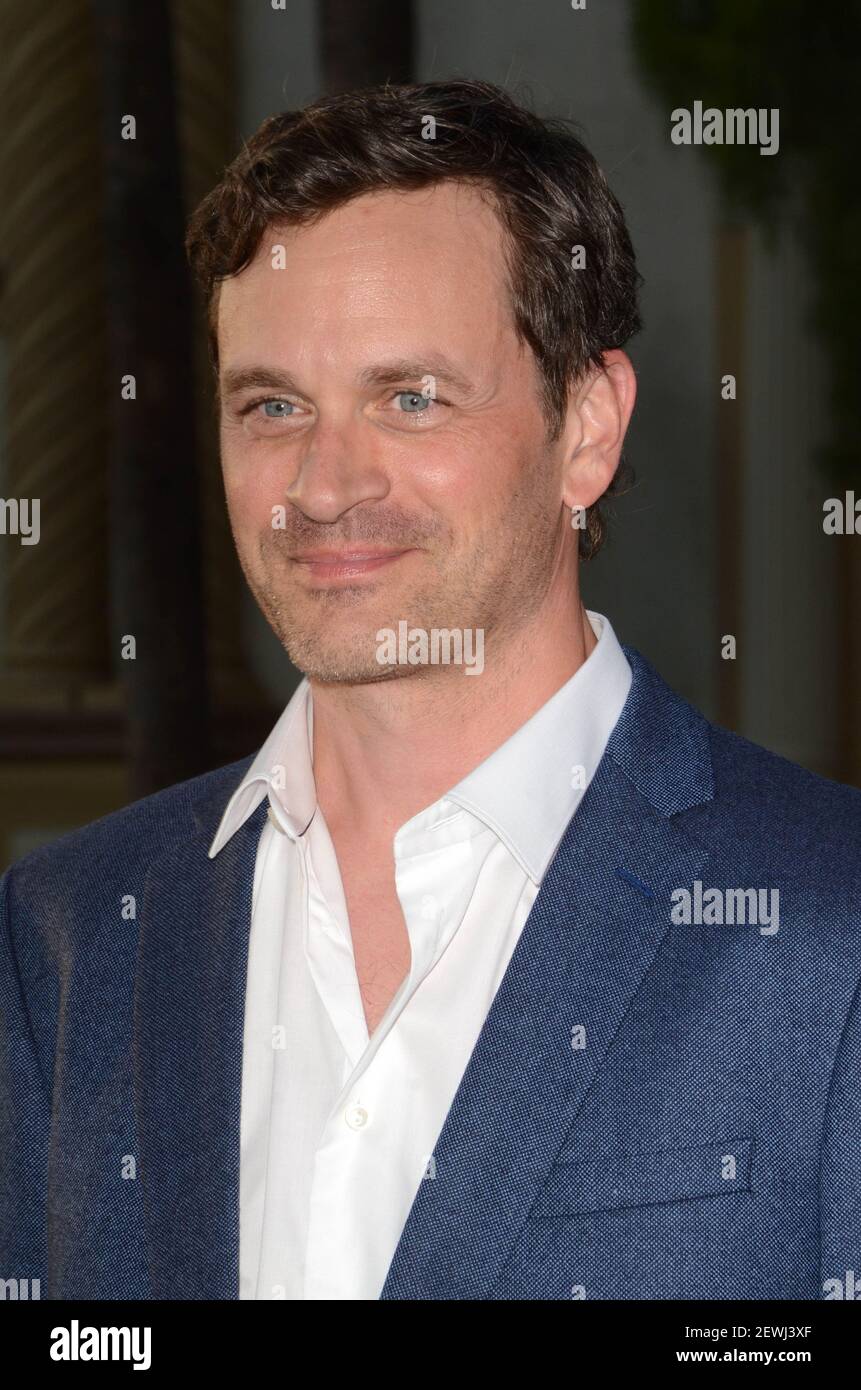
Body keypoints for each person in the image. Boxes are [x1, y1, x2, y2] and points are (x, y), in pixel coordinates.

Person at [2, 79, 859, 1302]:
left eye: (411, 398)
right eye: (273, 404)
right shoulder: (67, 938)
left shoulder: (829, 930)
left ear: (588, 429)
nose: (325, 482)